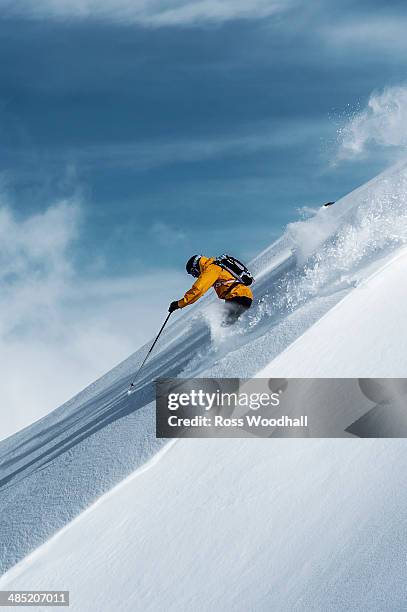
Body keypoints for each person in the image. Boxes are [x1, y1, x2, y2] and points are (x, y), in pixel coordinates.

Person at [169, 255, 253, 325]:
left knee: (225, 324)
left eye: (194, 272)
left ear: (197, 266)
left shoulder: (212, 269)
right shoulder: (216, 267)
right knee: (230, 323)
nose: (196, 276)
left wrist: (179, 304)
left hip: (237, 297)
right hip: (241, 297)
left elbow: (199, 289)